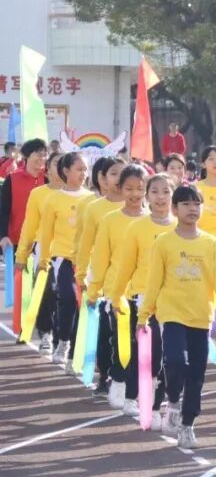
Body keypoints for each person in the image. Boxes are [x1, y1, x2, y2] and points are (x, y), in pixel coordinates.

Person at [141, 184, 216, 449]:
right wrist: (144, 313)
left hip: (200, 317)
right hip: (171, 313)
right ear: (174, 209)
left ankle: (187, 425)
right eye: (186, 204)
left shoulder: (210, 243)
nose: (192, 209)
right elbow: (153, 281)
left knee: (196, 374)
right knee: (174, 360)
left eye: (197, 204)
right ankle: (173, 400)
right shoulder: (164, 243)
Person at [106, 173, 176, 429]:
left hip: (174, 302)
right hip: (143, 299)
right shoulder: (136, 228)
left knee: (170, 355)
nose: (160, 197)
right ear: (147, 196)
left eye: (166, 192)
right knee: (146, 354)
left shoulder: (179, 227)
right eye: (155, 192)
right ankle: (132, 397)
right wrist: (116, 297)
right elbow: (125, 267)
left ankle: (156, 406)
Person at [87, 165, 149, 410]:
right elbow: (100, 258)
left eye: (140, 189)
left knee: (143, 344)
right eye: (129, 188)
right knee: (121, 342)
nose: (135, 194)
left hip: (147, 294)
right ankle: (118, 382)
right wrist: (94, 290)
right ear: (120, 189)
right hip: (117, 293)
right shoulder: (110, 220)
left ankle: (137, 389)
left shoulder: (154, 221)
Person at [35, 152, 93, 370]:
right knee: (67, 297)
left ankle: (75, 353)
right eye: (79, 169)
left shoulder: (92, 200)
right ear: (66, 171)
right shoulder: (53, 199)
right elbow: (46, 233)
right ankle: (63, 342)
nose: (83, 173)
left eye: (85, 169)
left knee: (83, 305)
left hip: (87, 260)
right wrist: (44, 260)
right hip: (62, 258)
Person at [13, 151, 63, 354]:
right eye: (56, 163)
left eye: (64, 163)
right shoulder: (38, 194)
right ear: (47, 169)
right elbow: (29, 225)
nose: (61, 168)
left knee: (67, 295)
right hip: (44, 249)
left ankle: (64, 337)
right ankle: (46, 333)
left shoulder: (81, 195)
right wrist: (22, 254)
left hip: (70, 251)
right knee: (47, 290)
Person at [0, 138, 48, 258]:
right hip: (16, 240)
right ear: (27, 155)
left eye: (44, 155)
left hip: (43, 241)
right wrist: (3, 235)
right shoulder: (12, 179)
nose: (42, 158)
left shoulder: (48, 179)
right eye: (38, 154)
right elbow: (4, 210)